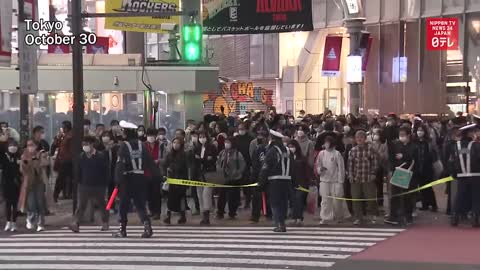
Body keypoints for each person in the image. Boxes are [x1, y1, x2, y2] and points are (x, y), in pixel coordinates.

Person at [113, 121, 159, 238]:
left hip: (127, 179)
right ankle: (147, 227)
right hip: (141, 178)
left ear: (126, 133)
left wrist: (118, 181)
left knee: (123, 205)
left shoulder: (124, 146)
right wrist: (158, 176)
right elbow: (150, 162)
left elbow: (120, 165)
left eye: (123, 131)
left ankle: (122, 229)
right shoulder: (142, 145)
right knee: (140, 205)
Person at [70, 136, 110, 233]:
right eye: (83, 144)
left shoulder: (101, 156)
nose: (85, 146)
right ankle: (76, 223)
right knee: (81, 205)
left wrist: (105, 184)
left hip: (99, 185)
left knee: (102, 204)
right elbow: (78, 171)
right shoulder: (81, 156)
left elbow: (106, 171)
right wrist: (79, 182)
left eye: (87, 144)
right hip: (84, 184)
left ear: (92, 145)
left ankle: (105, 222)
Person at [259, 130, 293, 233]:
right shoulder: (287, 150)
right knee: (283, 203)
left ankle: (279, 224)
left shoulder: (272, 151)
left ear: (272, 139)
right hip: (287, 180)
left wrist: (261, 181)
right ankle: (282, 223)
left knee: (275, 203)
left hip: (274, 180)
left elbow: (266, 168)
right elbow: (293, 167)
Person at [385, 127, 418, 226]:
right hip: (398, 171)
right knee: (395, 195)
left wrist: (403, 156)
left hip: (408, 173)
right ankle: (394, 216)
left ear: (408, 135)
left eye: (403, 134)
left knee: (407, 196)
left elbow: (414, 159)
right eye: (400, 134)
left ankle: (408, 217)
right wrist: (391, 169)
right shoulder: (396, 145)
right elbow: (392, 158)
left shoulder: (413, 146)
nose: (401, 137)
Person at [451, 123, 480, 227]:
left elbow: (453, 161)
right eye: (473, 131)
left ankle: (454, 216)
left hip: (461, 175)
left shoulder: (456, 146)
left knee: (460, 196)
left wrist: (454, 173)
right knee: (476, 197)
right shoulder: (476, 145)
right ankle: (475, 218)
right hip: (476, 175)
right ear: (469, 133)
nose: (475, 133)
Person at [348, 130, 379, 225]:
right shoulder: (352, 151)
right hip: (356, 178)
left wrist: (373, 174)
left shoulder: (371, 149)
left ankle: (373, 216)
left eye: (361, 137)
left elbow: (375, 163)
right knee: (356, 199)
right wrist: (350, 175)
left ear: (365, 139)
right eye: (357, 138)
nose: (359, 139)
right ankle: (358, 218)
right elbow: (350, 165)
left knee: (370, 198)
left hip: (368, 178)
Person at [317, 136, 350, 224]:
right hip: (324, 180)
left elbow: (341, 168)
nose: (326, 144)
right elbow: (318, 165)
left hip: (335, 180)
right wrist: (320, 170)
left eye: (328, 142)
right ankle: (325, 217)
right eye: (326, 142)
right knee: (325, 200)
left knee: (337, 200)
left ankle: (339, 216)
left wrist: (340, 181)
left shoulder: (337, 154)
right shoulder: (321, 153)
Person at [19, 140, 49, 232]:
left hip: (39, 182)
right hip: (29, 182)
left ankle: (40, 223)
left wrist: (39, 159)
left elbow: (46, 163)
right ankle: (31, 219)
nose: (30, 147)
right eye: (29, 145)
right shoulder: (24, 155)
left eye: (32, 145)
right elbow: (22, 169)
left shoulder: (40, 154)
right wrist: (27, 162)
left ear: (36, 146)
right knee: (31, 203)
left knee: (40, 202)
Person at [216, 137, 246, 220]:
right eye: (225, 142)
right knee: (221, 196)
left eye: (228, 142)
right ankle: (220, 212)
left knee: (233, 197)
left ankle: (232, 212)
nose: (226, 144)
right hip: (223, 178)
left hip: (234, 179)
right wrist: (220, 170)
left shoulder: (237, 154)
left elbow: (242, 165)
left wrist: (237, 172)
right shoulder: (222, 153)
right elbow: (218, 163)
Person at [191, 132, 216, 223]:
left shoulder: (212, 147)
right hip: (198, 174)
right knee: (200, 195)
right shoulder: (196, 148)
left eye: (203, 137)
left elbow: (212, 160)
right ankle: (203, 214)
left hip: (209, 174)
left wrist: (202, 159)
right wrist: (203, 159)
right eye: (200, 137)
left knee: (207, 195)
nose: (202, 139)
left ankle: (207, 214)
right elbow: (194, 161)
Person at [164, 137, 189, 225]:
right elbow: (164, 164)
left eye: (178, 143)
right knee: (170, 198)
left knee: (181, 198)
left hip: (181, 179)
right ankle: (168, 215)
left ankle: (182, 216)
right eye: (174, 142)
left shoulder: (184, 155)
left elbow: (185, 168)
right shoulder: (169, 154)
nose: (175, 144)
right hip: (171, 179)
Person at [413, 125, 438, 212]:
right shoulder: (415, 142)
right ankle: (425, 205)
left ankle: (434, 205)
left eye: (421, 130)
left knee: (428, 187)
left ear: (425, 132)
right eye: (418, 130)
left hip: (427, 167)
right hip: (418, 167)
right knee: (421, 187)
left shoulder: (428, 142)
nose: (419, 132)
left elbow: (433, 153)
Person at [288, 140, 312, 226]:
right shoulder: (287, 157)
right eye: (289, 146)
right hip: (291, 183)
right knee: (293, 201)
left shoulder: (302, 158)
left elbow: (307, 171)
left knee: (299, 200)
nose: (291, 148)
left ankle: (299, 219)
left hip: (302, 183)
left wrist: (308, 182)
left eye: (292, 146)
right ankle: (295, 218)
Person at [249, 128, 270, 223]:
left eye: (264, 136)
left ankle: (269, 214)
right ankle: (255, 215)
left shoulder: (272, 149)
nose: (262, 139)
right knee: (256, 197)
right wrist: (254, 176)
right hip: (259, 175)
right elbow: (254, 163)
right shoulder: (258, 150)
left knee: (270, 197)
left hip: (269, 176)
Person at [0, 140, 21, 231]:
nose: (13, 147)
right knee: (8, 203)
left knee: (15, 204)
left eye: (15, 145)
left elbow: (21, 169)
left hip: (16, 183)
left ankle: (14, 223)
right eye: (11, 145)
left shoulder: (19, 156)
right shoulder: (4, 156)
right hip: (6, 183)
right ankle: (8, 222)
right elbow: (3, 167)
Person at [234, 123, 254, 209]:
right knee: (237, 184)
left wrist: (251, 164)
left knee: (247, 184)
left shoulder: (250, 139)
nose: (240, 130)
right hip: (237, 164)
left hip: (247, 164)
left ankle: (247, 201)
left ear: (246, 129)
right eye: (239, 129)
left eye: (242, 128)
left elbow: (252, 152)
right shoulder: (236, 139)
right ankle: (237, 201)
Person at [53, 121, 73, 203]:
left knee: (61, 179)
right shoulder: (64, 136)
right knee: (62, 179)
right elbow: (57, 145)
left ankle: (57, 194)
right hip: (64, 160)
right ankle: (58, 195)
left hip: (68, 161)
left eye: (63, 127)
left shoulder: (70, 136)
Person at [144, 128, 162, 220]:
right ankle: (151, 210)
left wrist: (159, 161)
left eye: (152, 136)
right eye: (149, 135)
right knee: (148, 194)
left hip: (157, 172)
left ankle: (157, 212)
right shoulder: (143, 145)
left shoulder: (161, 145)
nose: (150, 137)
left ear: (156, 136)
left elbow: (165, 157)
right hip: (146, 173)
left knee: (156, 193)